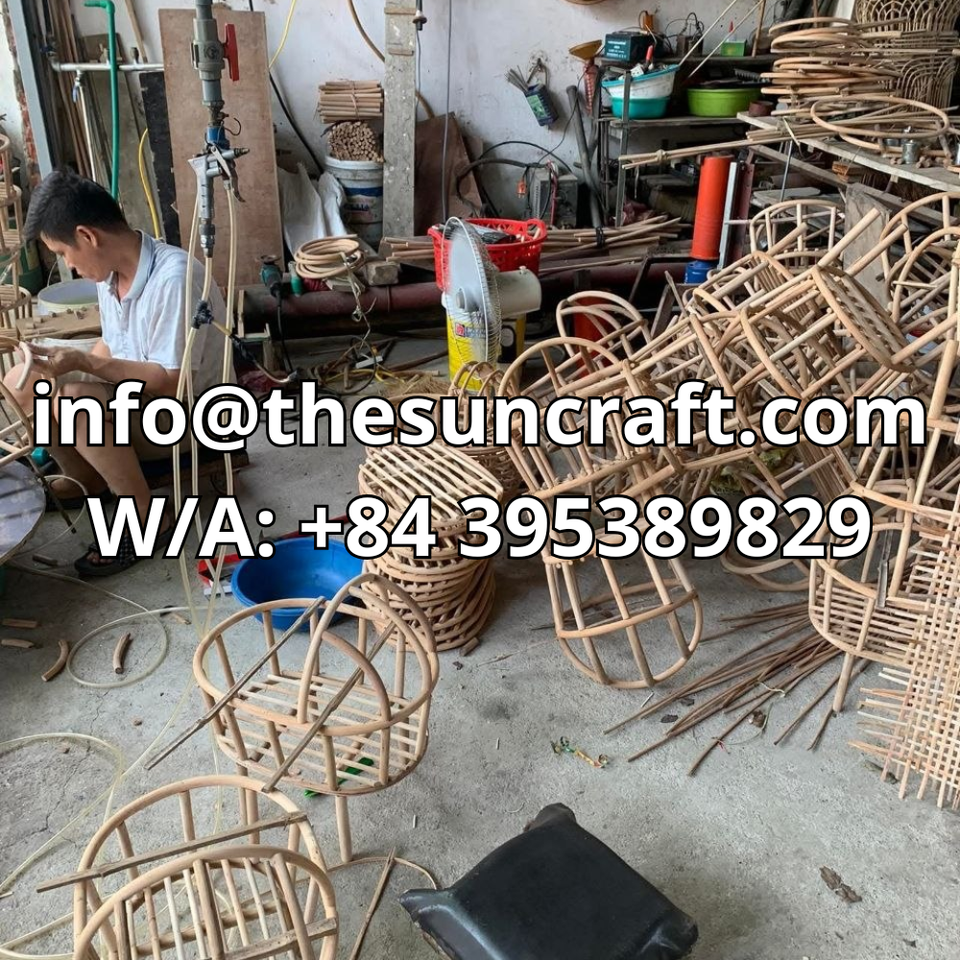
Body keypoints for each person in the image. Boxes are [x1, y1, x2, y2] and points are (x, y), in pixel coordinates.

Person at [4, 170, 228, 577]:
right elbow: (111, 344)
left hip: (189, 412)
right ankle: (86, 479)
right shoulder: (110, 276)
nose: (68, 265)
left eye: (64, 253)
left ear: (87, 236)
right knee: (22, 381)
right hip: (141, 399)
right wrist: (56, 368)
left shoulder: (175, 279)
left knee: (76, 403)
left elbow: (171, 382)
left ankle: (145, 517)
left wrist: (82, 368)